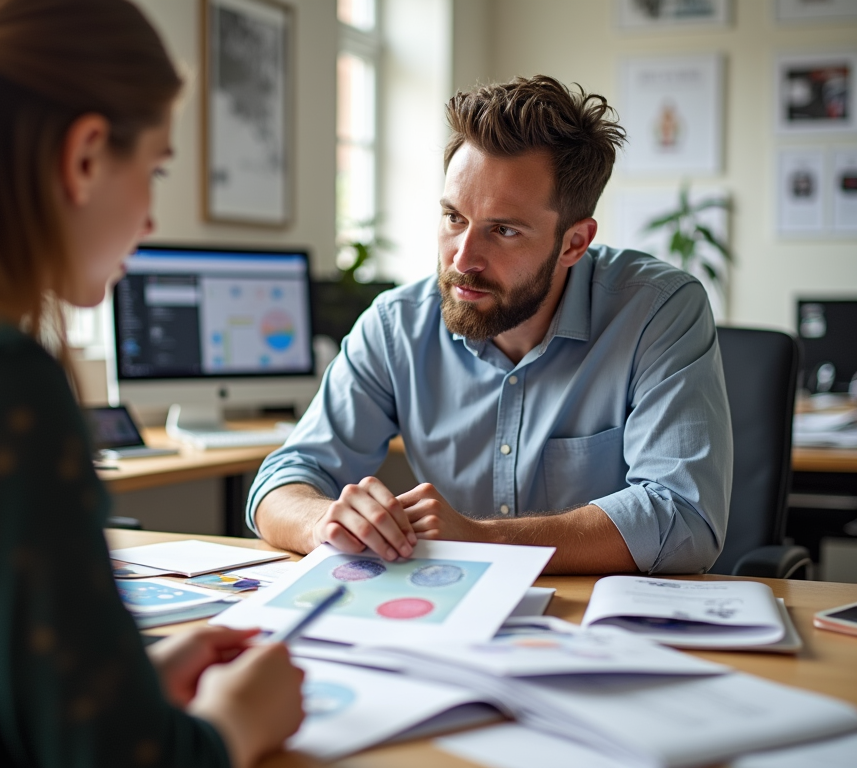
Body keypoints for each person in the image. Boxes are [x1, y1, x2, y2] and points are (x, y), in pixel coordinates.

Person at [0, 1, 304, 766]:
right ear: (85, 156)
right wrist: (236, 722)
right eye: (153, 169)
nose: (151, 219)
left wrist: (116, 683)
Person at [249, 76, 732, 575]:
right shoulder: (398, 325)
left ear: (573, 243)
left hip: (600, 627)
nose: (463, 259)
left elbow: (684, 518)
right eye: (454, 218)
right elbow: (282, 481)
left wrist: (483, 540)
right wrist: (325, 521)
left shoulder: (658, 310)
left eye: (503, 230)